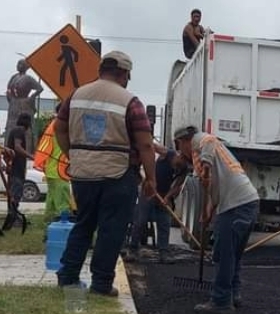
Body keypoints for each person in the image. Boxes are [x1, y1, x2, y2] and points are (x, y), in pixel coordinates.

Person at [54, 51, 158, 297]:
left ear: (101, 70)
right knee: (111, 229)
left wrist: (73, 153)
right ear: (124, 74)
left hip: (82, 173)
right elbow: (145, 144)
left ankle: (67, 276)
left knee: (84, 224)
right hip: (117, 174)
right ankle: (100, 284)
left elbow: (59, 127)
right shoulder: (130, 101)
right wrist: (151, 178)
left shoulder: (76, 95)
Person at [175, 125, 258, 313]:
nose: (181, 151)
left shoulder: (201, 141)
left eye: (179, 145)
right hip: (248, 203)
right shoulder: (207, 152)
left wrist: (205, 163)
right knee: (234, 255)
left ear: (183, 141)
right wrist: (208, 211)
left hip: (235, 205)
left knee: (224, 255)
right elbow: (214, 190)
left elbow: (209, 140)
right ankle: (233, 294)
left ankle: (221, 301)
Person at [124, 143, 187, 264]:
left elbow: (178, 184)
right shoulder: (167, 154)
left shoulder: (184, 167)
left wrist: (168, 197)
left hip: (163, 194)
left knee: (165, 222)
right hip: (149, 191)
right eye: (177, 164)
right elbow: (149, 145)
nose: (178, 167)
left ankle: (163, 252)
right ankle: (133, 249)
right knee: (140, 220)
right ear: (179, 156)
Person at [33, 102, 74, 223]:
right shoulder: (62, 125)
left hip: (52, 169)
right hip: (59, 170)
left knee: (51, 200)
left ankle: (49, 225)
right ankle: (63, 226)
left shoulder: (54, 124)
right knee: (62, 200)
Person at [3, 114, 33, 230]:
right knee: (16, 194)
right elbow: (17, 147)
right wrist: (31, 156)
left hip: (14, 167)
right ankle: (13, 219)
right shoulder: (19, 130)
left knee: (14, 193)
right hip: (16, 168)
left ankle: (14, 216)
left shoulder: (14, 130)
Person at [6, 59, 43, 149]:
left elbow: (40, 88)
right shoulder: (13, 77)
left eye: (21, 64)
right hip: (14, 103)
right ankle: (9, 146)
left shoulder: (28, 78)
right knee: (11, 124)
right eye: (18, 63)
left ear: (26, 67)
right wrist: (10, 98)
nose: (18, 65)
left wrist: (32, 97)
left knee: (25, 126)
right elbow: (9, 89)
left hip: (24, 103)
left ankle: (28, 147)